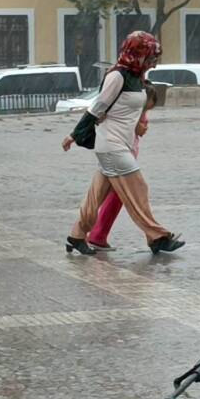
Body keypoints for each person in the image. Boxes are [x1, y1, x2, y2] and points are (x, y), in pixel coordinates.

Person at [62, 31, 183, 256]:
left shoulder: (137, 78)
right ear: (136, 55)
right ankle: (157, 237)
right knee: (138, 188)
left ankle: (76, 235)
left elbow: (133, 108)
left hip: (120, 144)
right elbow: (97, 107)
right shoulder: (117, 76)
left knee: (95, 196)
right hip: (112, 144)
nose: (153, 64)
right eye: (150, 59)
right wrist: (75, 135)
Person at [86, 83, 158, 251]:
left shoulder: (135, 109)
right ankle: (153, 236)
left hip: (121, 156)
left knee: (100, 198)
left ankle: (85, 234)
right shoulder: (131, 111)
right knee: (132, 196)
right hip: (120, 157)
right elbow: (140, 130)